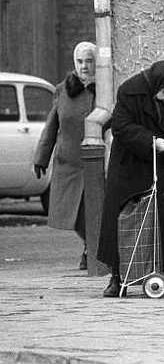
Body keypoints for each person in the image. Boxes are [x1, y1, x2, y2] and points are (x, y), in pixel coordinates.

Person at [97, 60, 164, 297]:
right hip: (131, 167)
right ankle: (117, 277)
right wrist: (152, 142)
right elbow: (121, 128)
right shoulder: (130, 91)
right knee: (125, 220)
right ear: (157, 86)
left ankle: (160, 275)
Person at [33, 41, 97, 270]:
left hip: (95, 162)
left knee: (92, 210)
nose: (84, 66)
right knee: (72, 213)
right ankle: (89, 246)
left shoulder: (104, 89)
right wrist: (41, 156)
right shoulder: (63, 89)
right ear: (74, 63)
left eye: (89, 61)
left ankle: (92, 250)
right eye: (80, 62)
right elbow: (52, 124)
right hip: (68, 161)